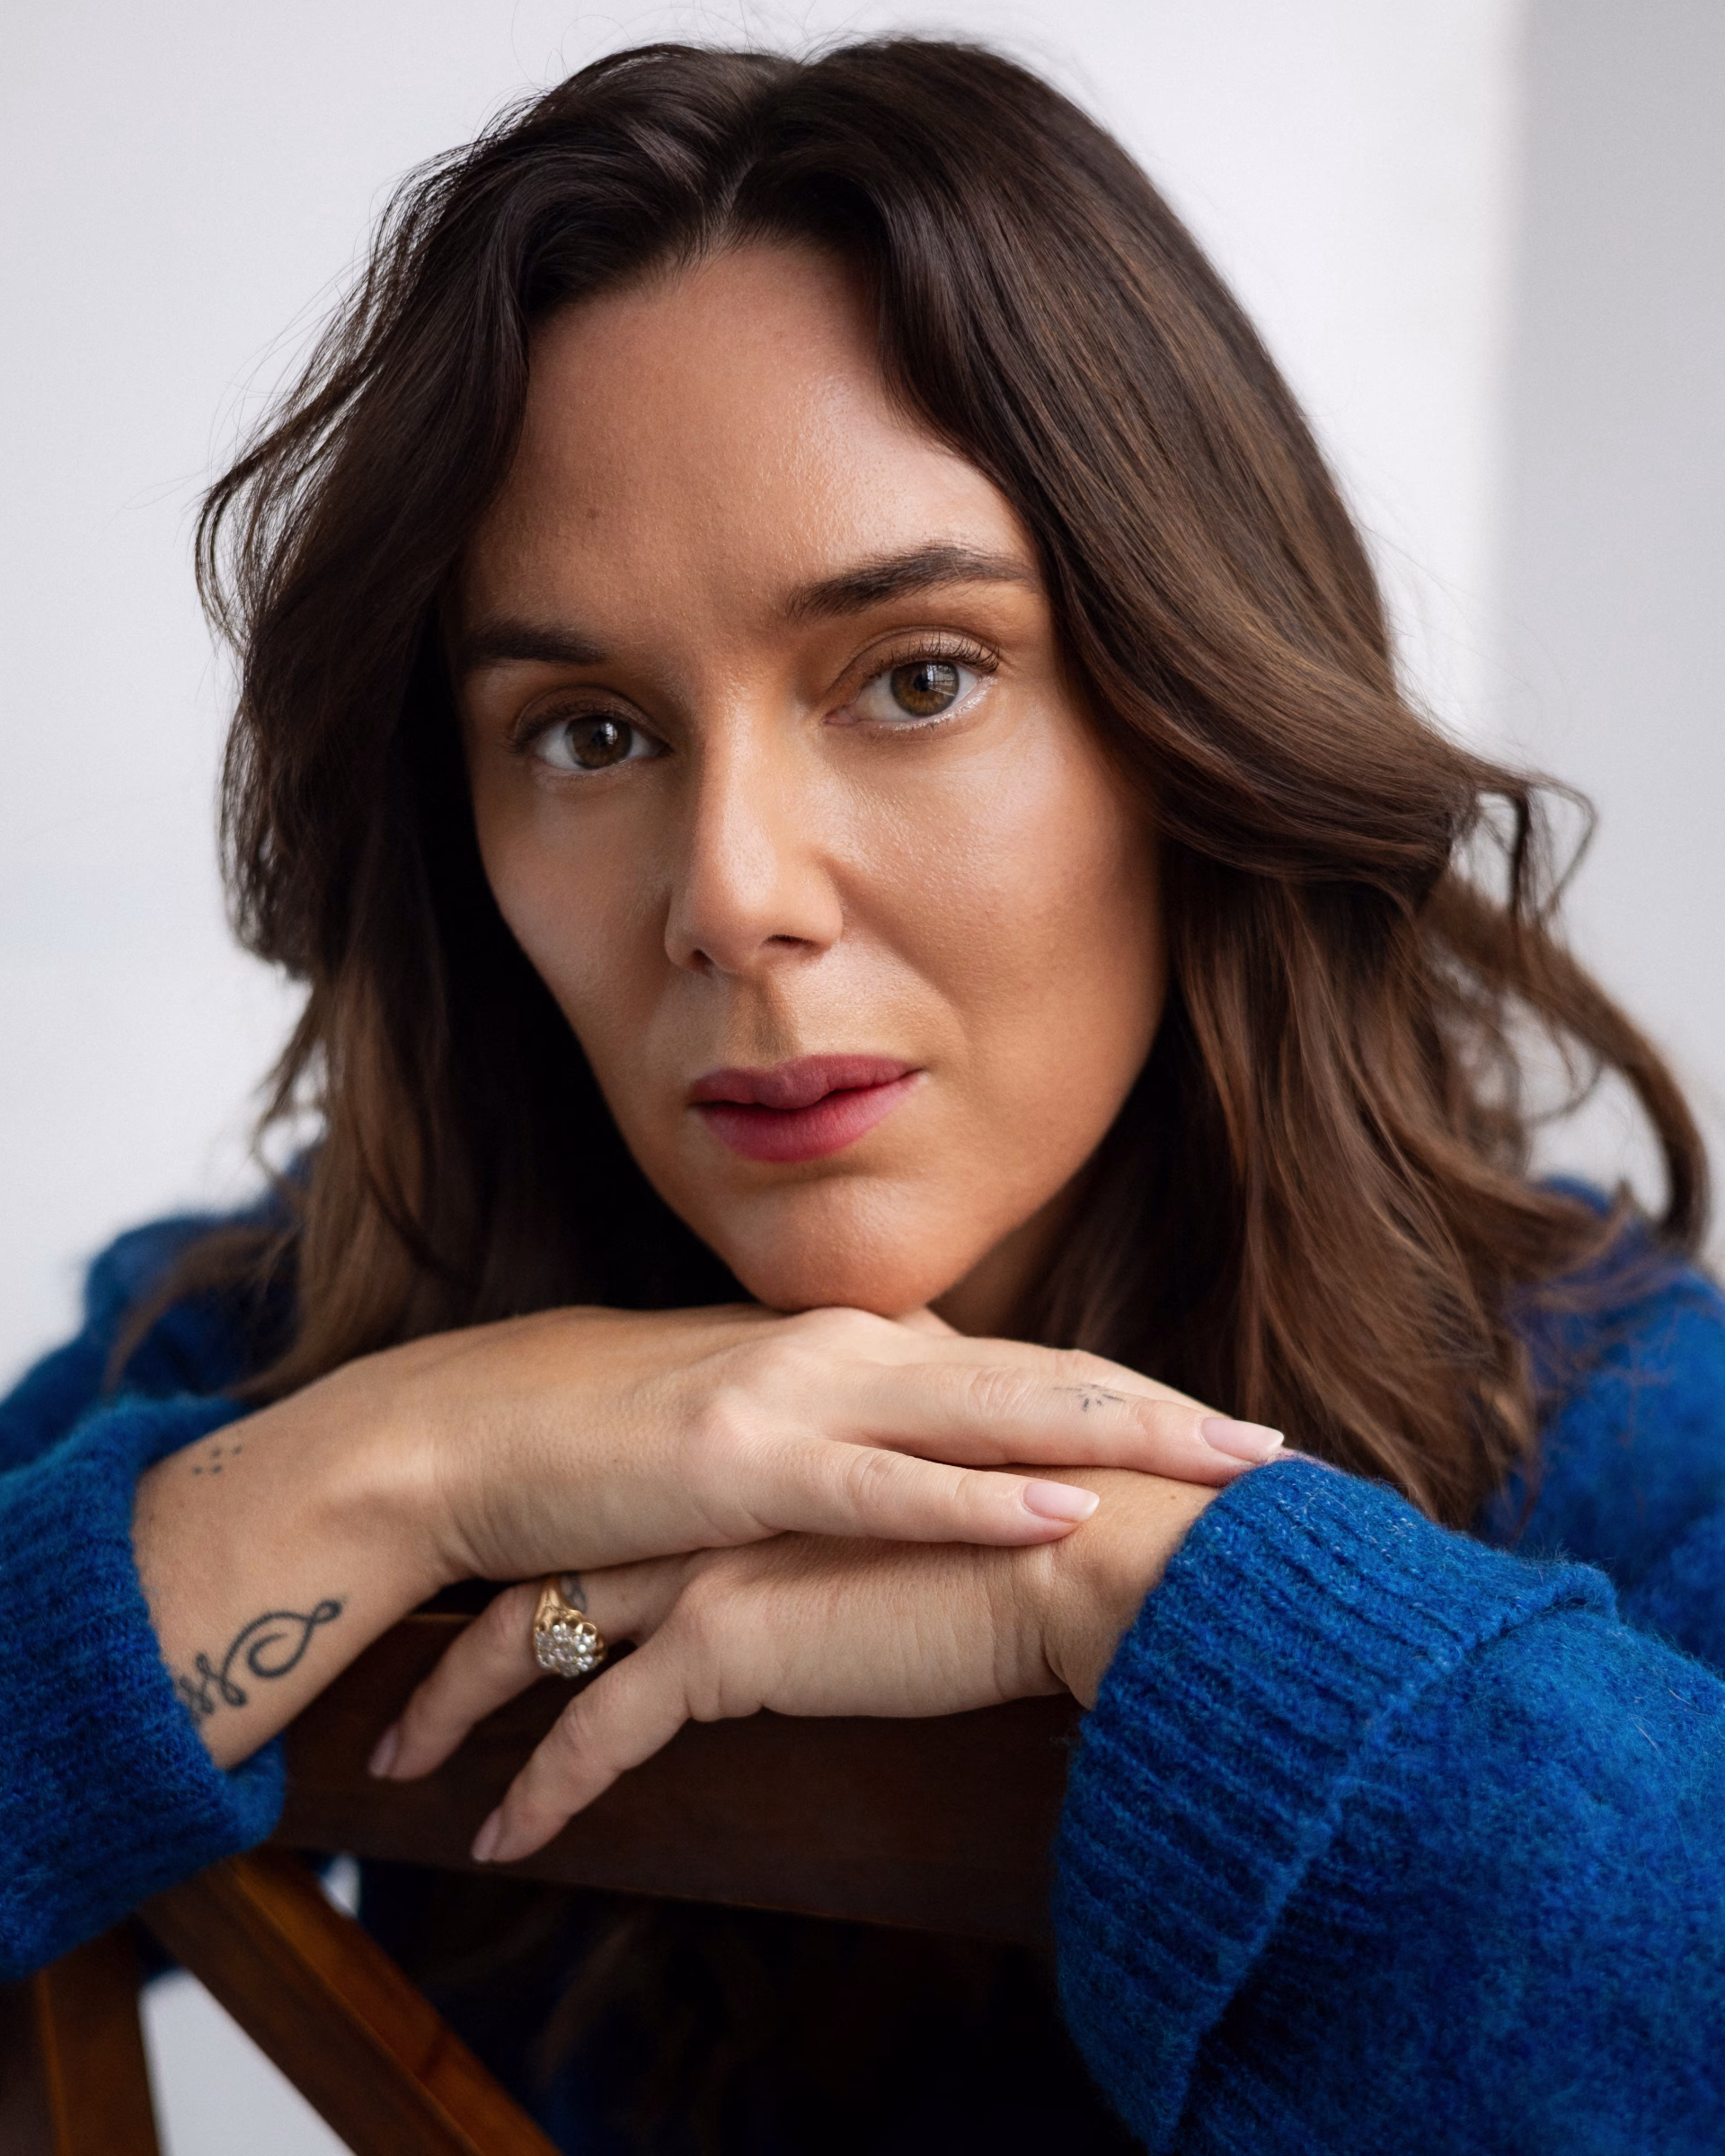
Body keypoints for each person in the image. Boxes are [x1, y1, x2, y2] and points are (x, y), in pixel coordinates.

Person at [4, 35, 1723, 2154]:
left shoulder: (1645, 1463)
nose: (731, 897)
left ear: (1194, 720)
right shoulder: (315, 1343)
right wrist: (399, 1467)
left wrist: (1161, 1604)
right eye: (587, 733)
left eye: (918, 678)